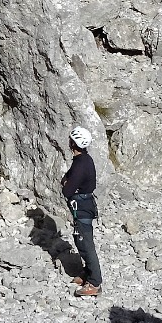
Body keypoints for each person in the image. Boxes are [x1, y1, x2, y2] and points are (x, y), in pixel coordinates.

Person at [60, 125, 101, 297]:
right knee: (80, 239)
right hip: (83, 206)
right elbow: (69, 177)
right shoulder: (83, 159)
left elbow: (67, 190)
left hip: (82, 207)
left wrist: (67, 186)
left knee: (86, 244)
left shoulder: (81, 164)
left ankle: (95, 282)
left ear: (74, 143)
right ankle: (87, 272)